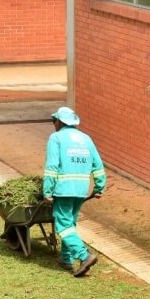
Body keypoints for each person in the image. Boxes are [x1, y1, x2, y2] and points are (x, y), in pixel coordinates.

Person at [43, 106, 105, 277]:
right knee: (70, 224)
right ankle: (66, 259)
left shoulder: (56, 138)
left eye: (54, 120)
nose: (53, 124)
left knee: (63, 225)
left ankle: (84, 256)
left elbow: (52, 167)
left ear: (60, 122)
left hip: (63, 189)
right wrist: (99, 187)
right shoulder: (86, 139)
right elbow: (98, 166)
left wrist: (47, 191)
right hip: (81, 189)